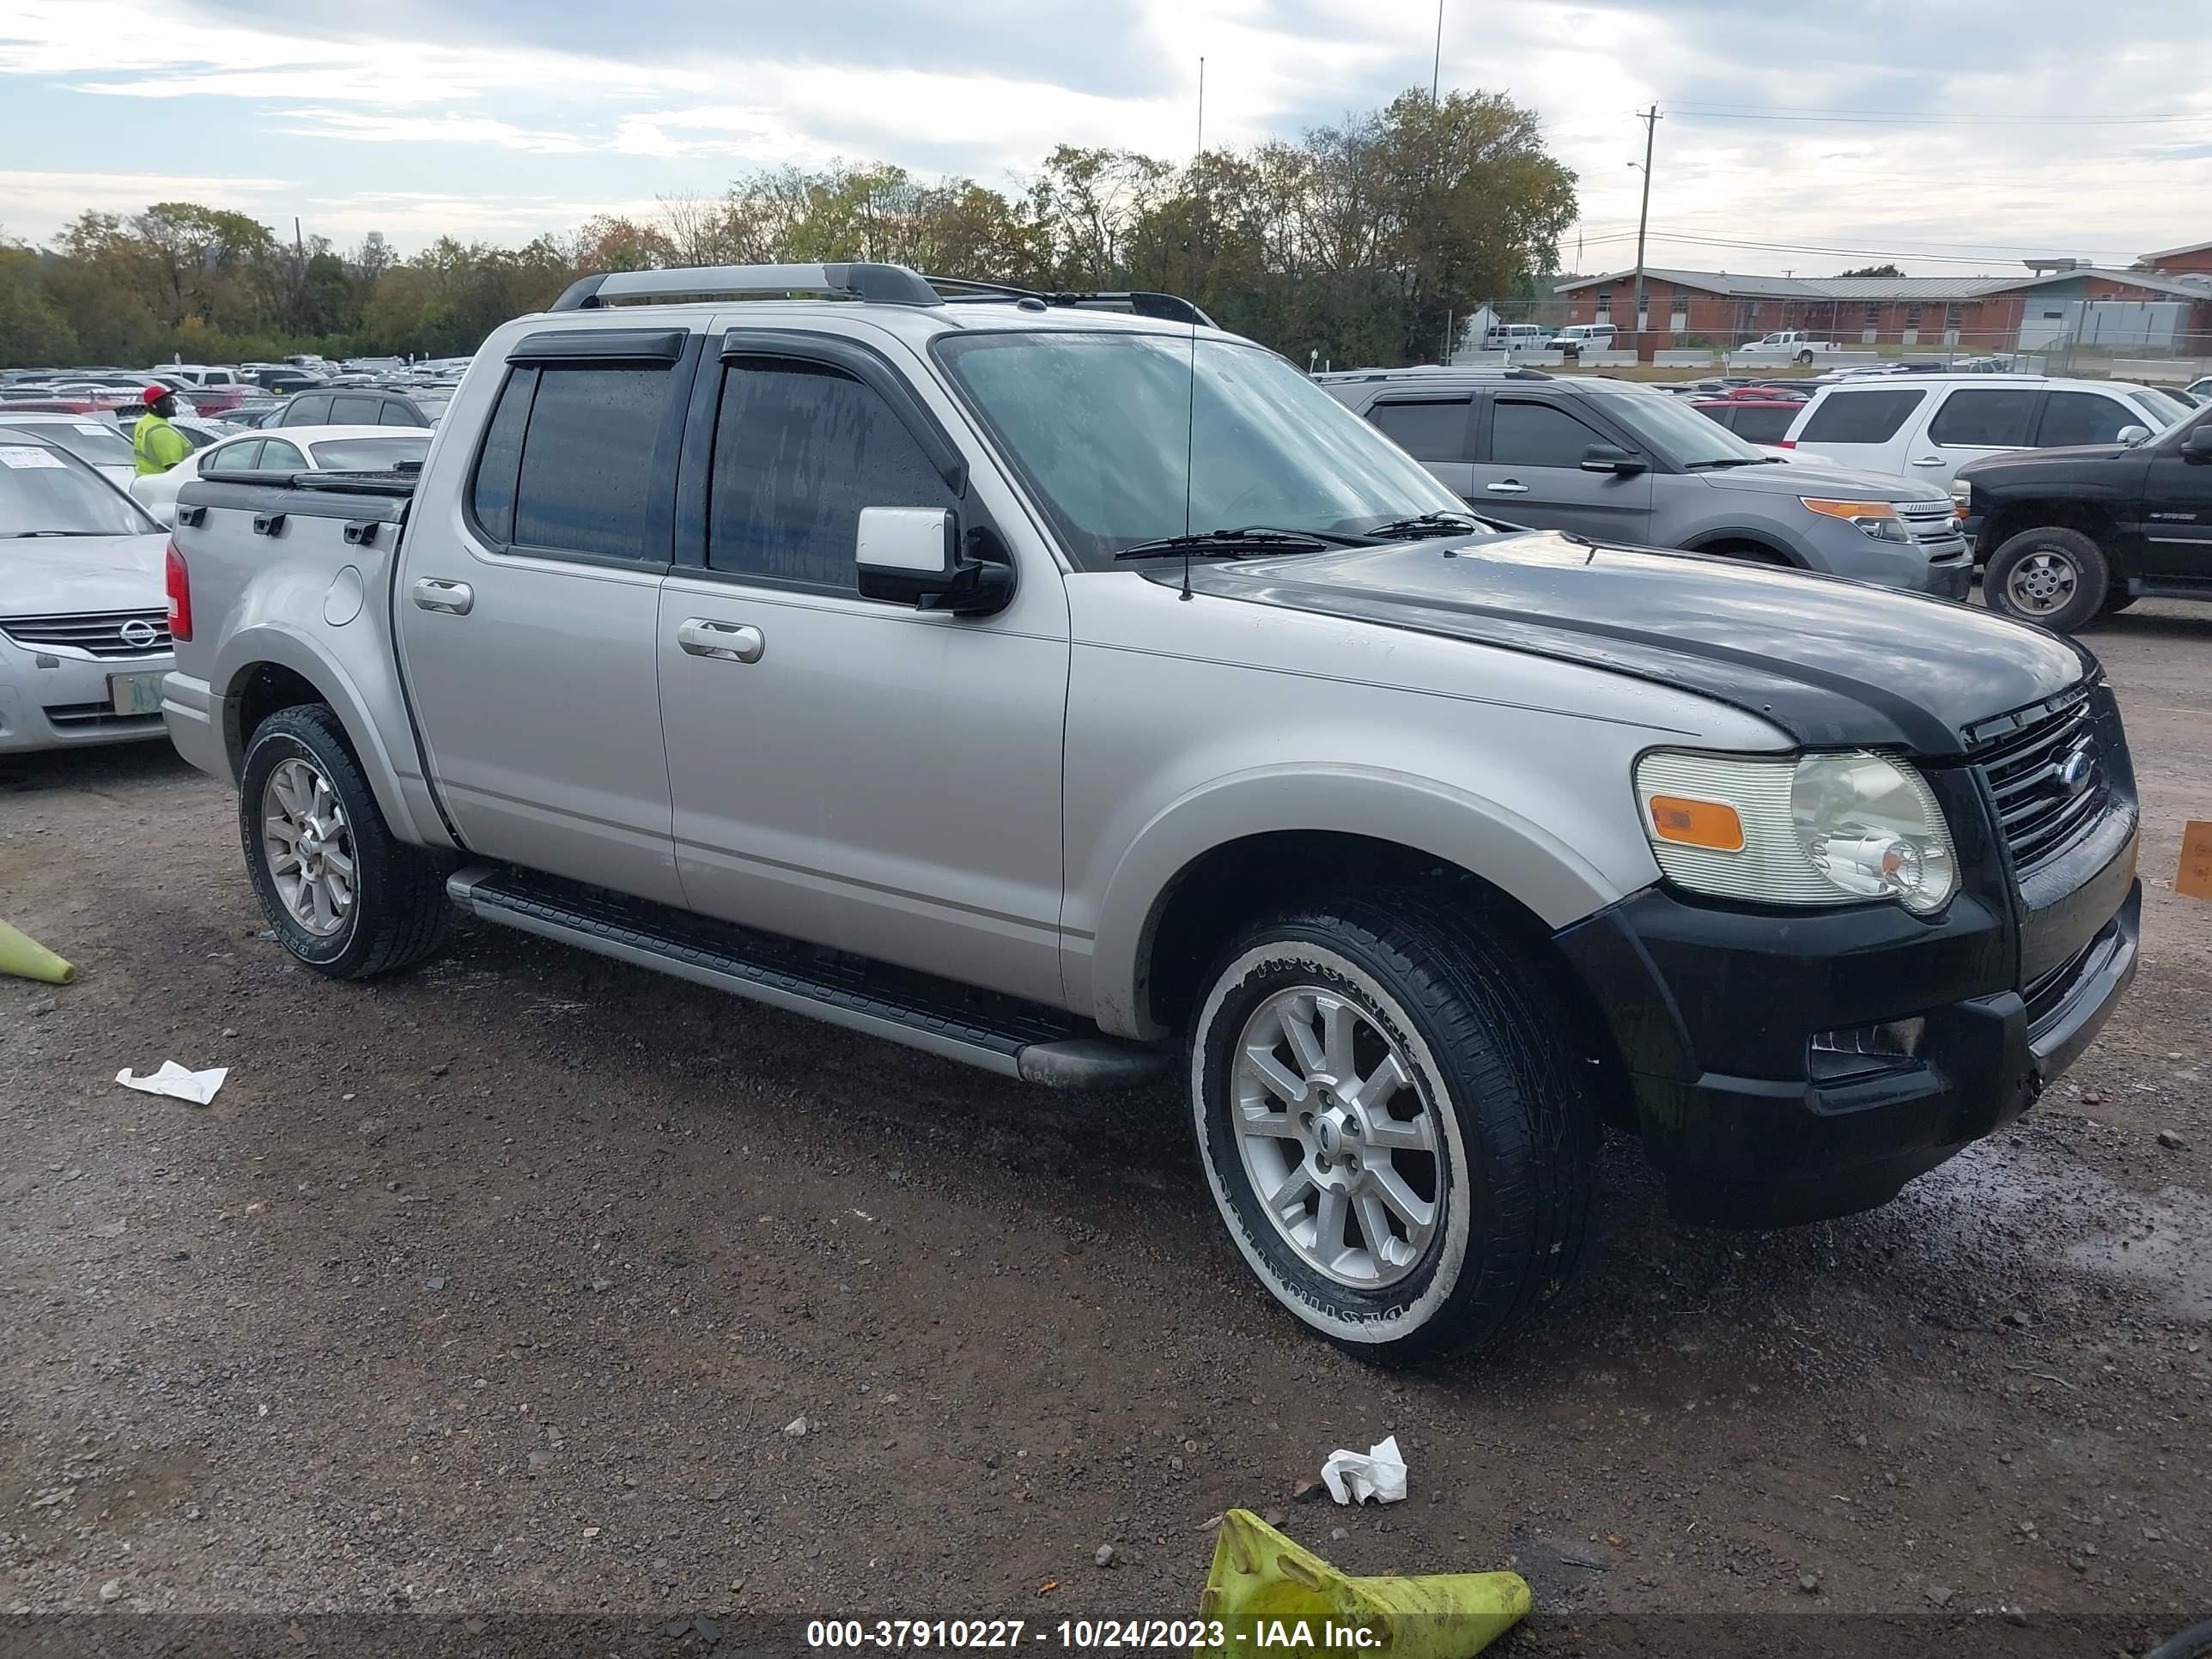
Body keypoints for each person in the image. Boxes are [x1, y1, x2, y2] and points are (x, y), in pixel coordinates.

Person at [131, 386, 192, 476]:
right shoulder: (162, 432)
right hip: (162, 483)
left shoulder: (143, 423)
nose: (173, 404)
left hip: (146, 479)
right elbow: (174, 469)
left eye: (172, 400)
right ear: (154, 406)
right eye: (168, 401)